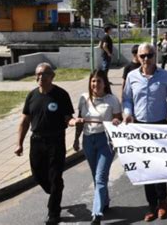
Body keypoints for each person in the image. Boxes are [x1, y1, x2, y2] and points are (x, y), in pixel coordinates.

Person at [122, 43, 167, 221]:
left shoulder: (165, 76)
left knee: (159, 166)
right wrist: (128, 113)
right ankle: (151, 206)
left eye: (149, 55)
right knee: (145, 167)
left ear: (155, 56)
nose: (146, 59)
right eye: (142, 56)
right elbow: (127, 99)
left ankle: (163, 203)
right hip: (140, 127)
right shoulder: (131, 76)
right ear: (138, 57)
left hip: (160, 125)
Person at [15, 63, 75, 224]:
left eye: (44, 74)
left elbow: (67, 117)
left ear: (52, 76)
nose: (40, 77)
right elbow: (25, 120)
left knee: (55, 177)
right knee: (37, 175)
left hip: (56, 141)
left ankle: (53, 212)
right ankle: (55, 191)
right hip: (37, 141)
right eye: (38, 74)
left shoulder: (61, 95)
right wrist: (19, 143)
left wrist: (73, 122)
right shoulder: (32, 95)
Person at [72, 70, 122, 224]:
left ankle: (96, 214)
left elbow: (118, 120)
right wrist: (76, 139)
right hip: (88, 140)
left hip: (105, 141)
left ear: (105, 83)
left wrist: (116, 122)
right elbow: (80, 121)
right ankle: (104, 201)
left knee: (100, 177)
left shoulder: (112, 100)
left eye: (99, 81)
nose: (95, 84)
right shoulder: (84, 98)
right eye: (93, 81)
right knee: (96, 176)